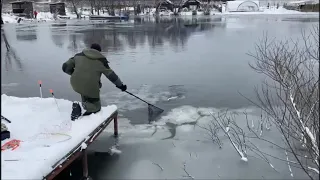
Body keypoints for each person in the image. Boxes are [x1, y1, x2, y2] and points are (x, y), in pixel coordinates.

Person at [62, 43, 127, 120]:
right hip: (90, 86)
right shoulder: (101, 60)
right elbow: (111, 75)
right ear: (99, 51)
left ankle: (83, 104)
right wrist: (120, 85)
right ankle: (82, 112)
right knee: (96, 107)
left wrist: (73, 74)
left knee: (85, 92)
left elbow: (65, 67)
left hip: (75, 83)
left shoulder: (78, 55)